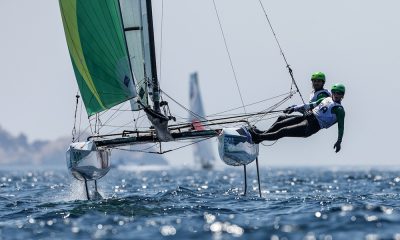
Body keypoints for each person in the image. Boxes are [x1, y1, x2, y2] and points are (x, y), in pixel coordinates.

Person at [250, 83, 346, 153]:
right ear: (332, 92)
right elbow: (310, 105)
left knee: (283, 131)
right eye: (335, 92)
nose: (337, 95)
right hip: (307, 118)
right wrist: (294, 108)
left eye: (340, 93)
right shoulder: (326, 99)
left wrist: (339, 141)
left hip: (311, 127)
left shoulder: (339, 110)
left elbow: (341, 127)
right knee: (280, 121)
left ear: (343, 95)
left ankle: (257, 137)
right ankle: (260, 136)